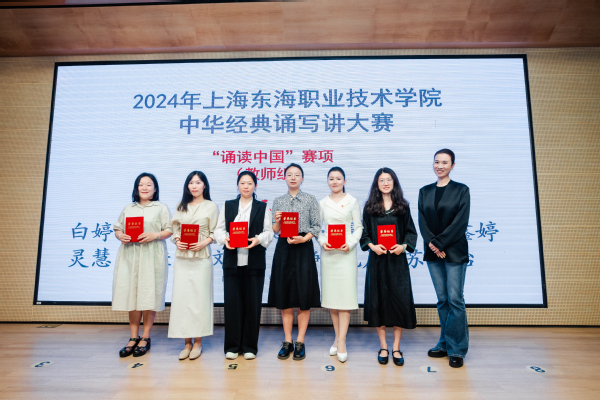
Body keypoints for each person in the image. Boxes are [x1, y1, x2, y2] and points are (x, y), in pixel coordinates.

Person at [359, 167, 418, 367]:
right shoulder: (370, 207)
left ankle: (396, 347)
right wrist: (372, 246)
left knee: (399, 301)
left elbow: (410, 232)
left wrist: (403, 246)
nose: (385, 183)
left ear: (394, 182)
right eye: (382, 180)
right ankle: (383, 346)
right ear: (376, 184)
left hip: (397, 262)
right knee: (379, 302)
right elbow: (364, 234)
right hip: (377, 262)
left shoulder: (403, 206)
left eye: (389, 179)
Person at [418, 149, 470, 368]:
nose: (439, 166)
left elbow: (460, 222)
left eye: (445, 162)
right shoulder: (425, 191)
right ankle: (444, 343)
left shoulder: (461, 190)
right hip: (433, 252)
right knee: (442, 300)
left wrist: (440, 243)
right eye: (436, 162)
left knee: (455, 299)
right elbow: (422, 221)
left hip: (454, 251)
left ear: (453, 165)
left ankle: (457, 349)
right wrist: (433, 244)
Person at [214, 171, 274, 360]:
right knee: (232, 305)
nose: (246, 186)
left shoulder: (262, 207)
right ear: (237, 185)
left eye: (249, 183)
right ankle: (232, 347)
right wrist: (225, 239)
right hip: (232, 262)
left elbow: (269, 232)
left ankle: (249, 347)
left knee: (252, 305)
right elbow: (218, 229)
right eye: (242, 183)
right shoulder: (228, 205)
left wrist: (258, 239)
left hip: (254, 262)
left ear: (255, 186)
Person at [113, 172, 172, 358]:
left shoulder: (161, 207)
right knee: (132, 294)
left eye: (148, 184)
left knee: (148, 294)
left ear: (155, 189)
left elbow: (170, 230)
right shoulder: (128, 208)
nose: (144, 188)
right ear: (136, 188)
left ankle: (145, 337)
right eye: (141, 184)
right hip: (130, 254)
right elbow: (118, 228)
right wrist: (120, 236)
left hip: (151, 255)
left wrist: (155, 235)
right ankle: (133, 337)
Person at [268, 163, 321, 361]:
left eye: (297, 175)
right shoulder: (278, 200)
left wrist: (304, 238)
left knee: (304, 296)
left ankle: (300, 341)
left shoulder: (310, 199)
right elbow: (275, 230)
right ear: (284, 178)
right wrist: (277, 221)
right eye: (289, 174)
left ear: (302, 178)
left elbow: (316, 226)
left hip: (303, 247)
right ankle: (287, 341)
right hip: (284, 248)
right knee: (286, 296)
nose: (293, 178)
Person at [168, 171, 218, 361]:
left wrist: (204, 242)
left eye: (198, 182)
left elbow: (215, 232)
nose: (194, 186)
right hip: (183, 258)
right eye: (191, 182)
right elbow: (174, 230)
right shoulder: (181, 206)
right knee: (182, 299)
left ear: (204, 185)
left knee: (199, 300)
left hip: (201, 258)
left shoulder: (211, 206)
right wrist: (177, 240)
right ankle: (186, 343)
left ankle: (198, 342)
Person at [318, 167, 363, 363]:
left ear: (344, 181)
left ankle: (342, 341)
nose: (335, 182)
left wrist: (350, 243)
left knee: (345, 299)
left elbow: (359, 227)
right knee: (333, 300)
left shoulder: (352, 201)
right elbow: (317, 228)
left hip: (346, 253)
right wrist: (322, 242)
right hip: (329, 254)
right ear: (327, 181)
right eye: (331, 179)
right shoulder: (322, 203)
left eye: (338, 178)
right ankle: (337, 338)